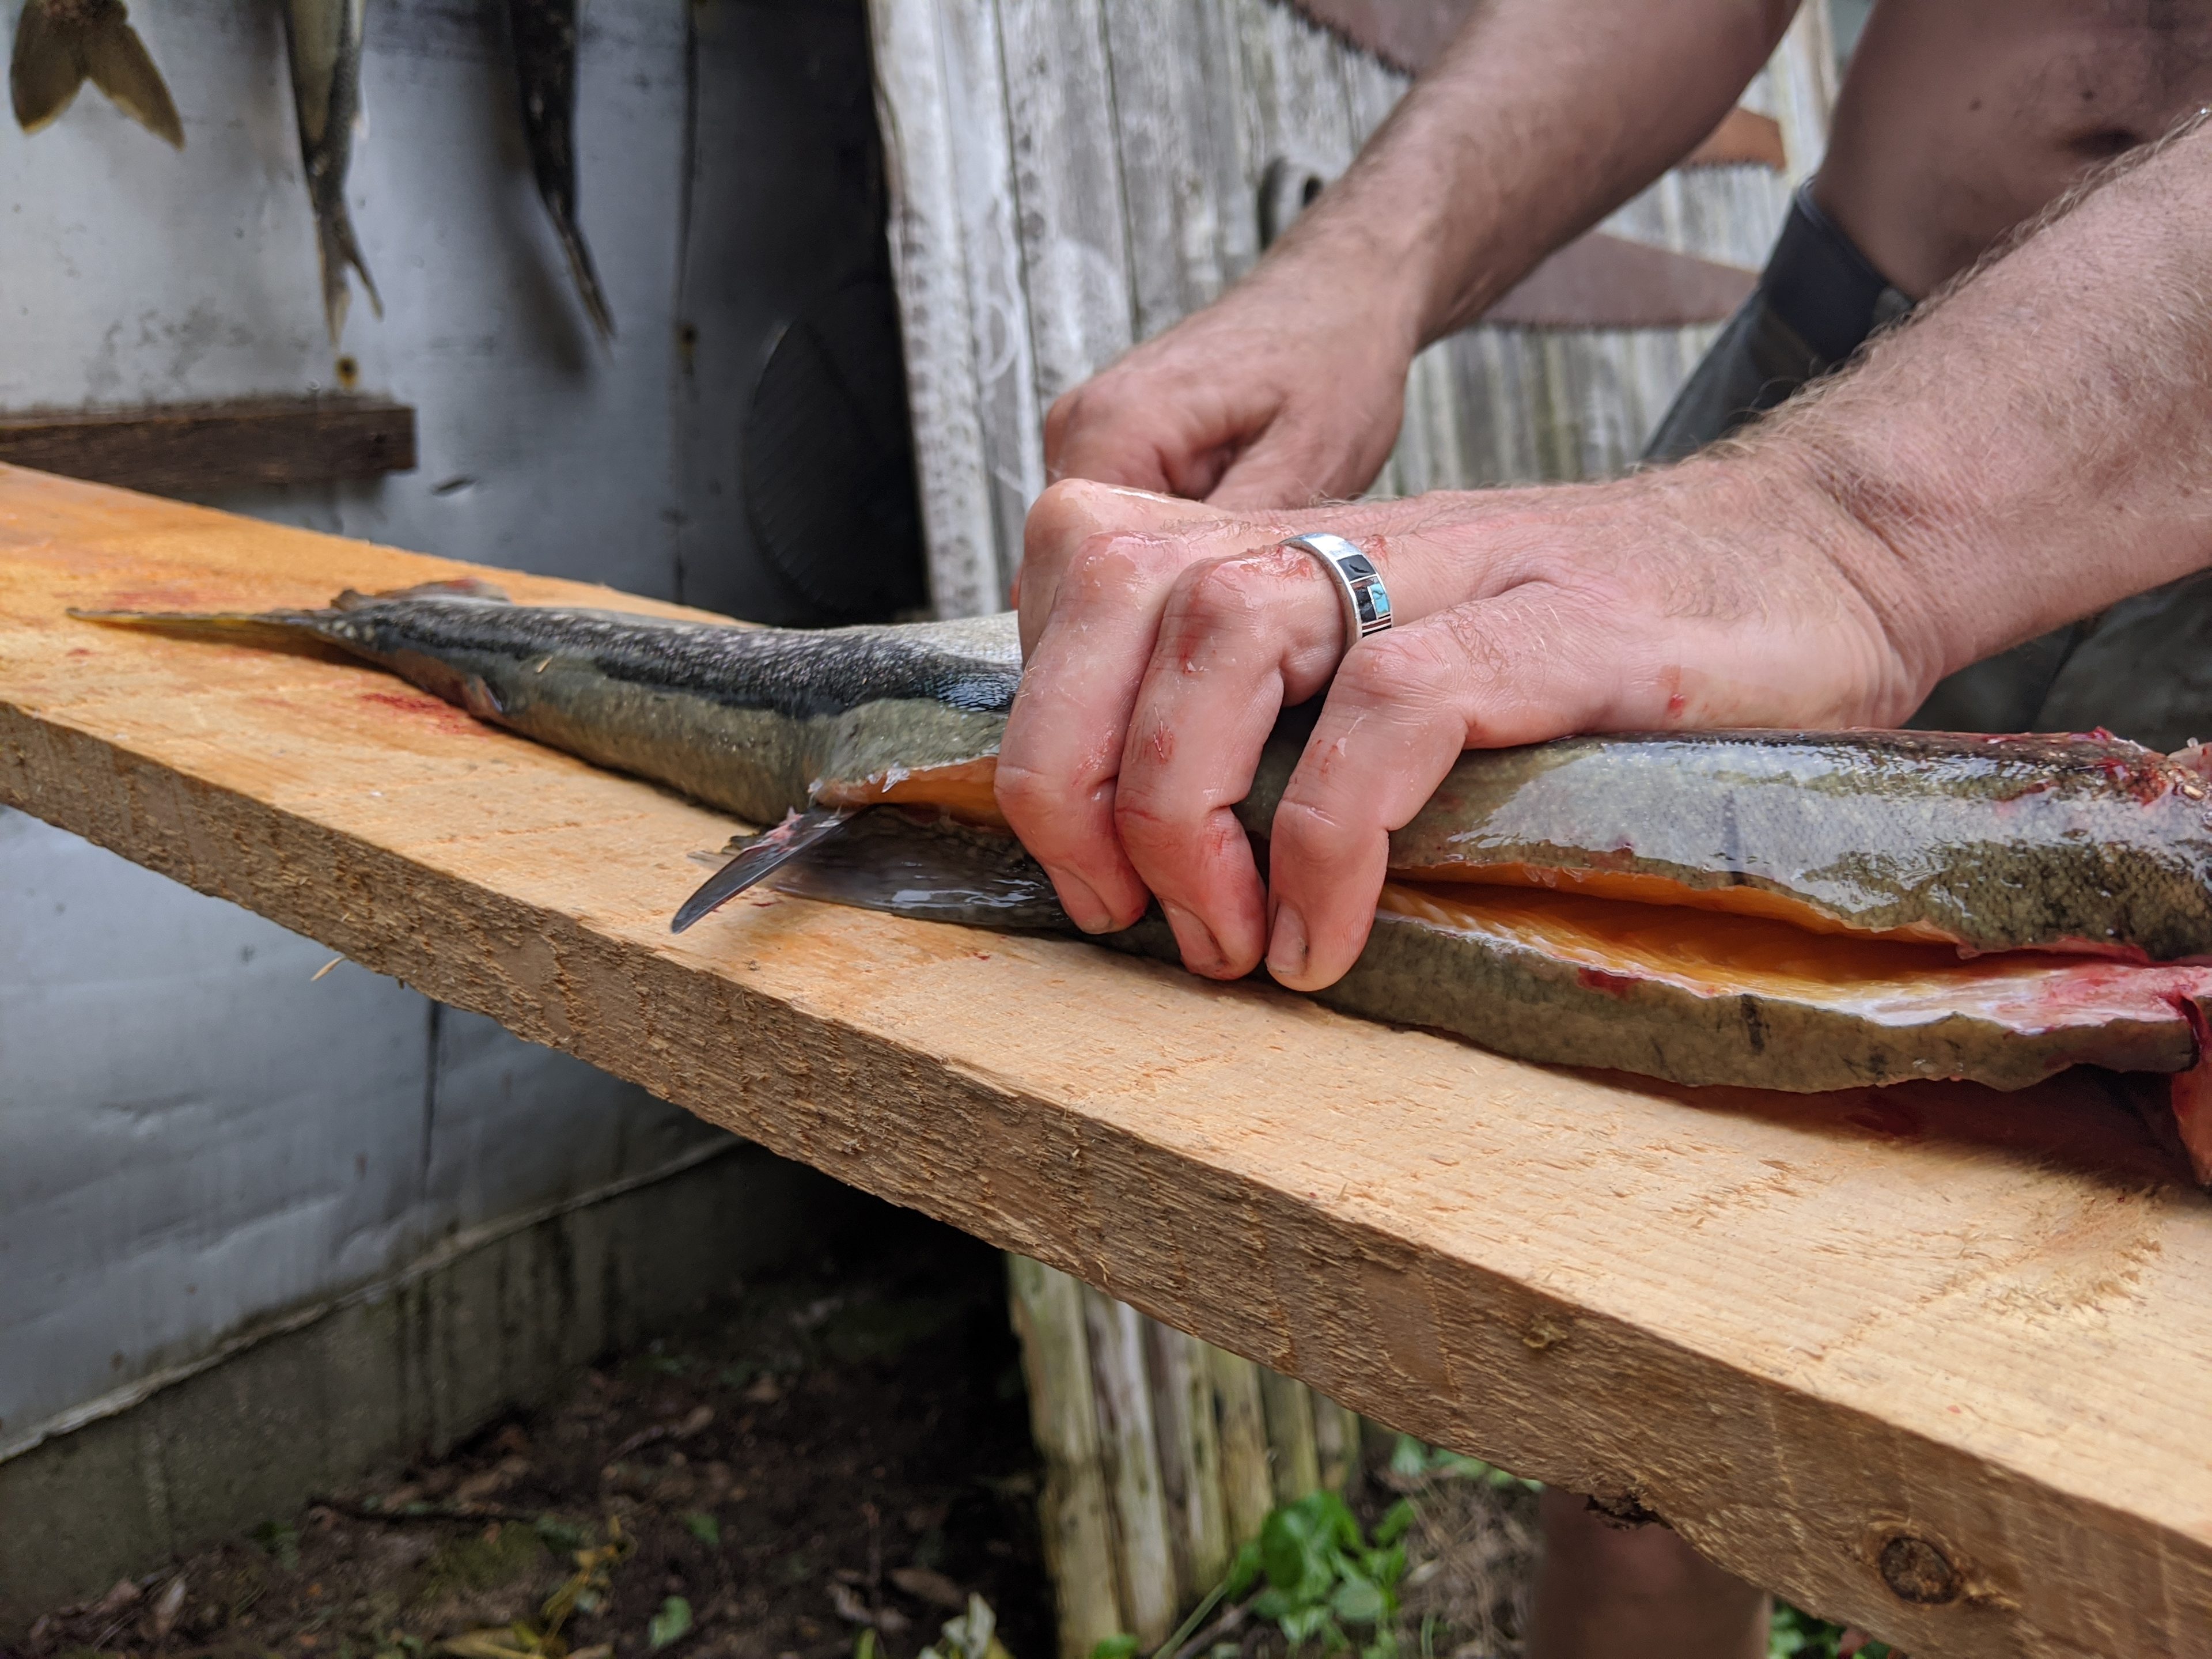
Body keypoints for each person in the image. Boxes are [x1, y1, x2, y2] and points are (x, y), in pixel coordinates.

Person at [994, 2, 2212, 1654]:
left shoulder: (1834, 518)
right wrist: (1372, 259)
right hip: (1836, 368)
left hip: (1852, 501)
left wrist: (1846, 530)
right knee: (1639, 1404)